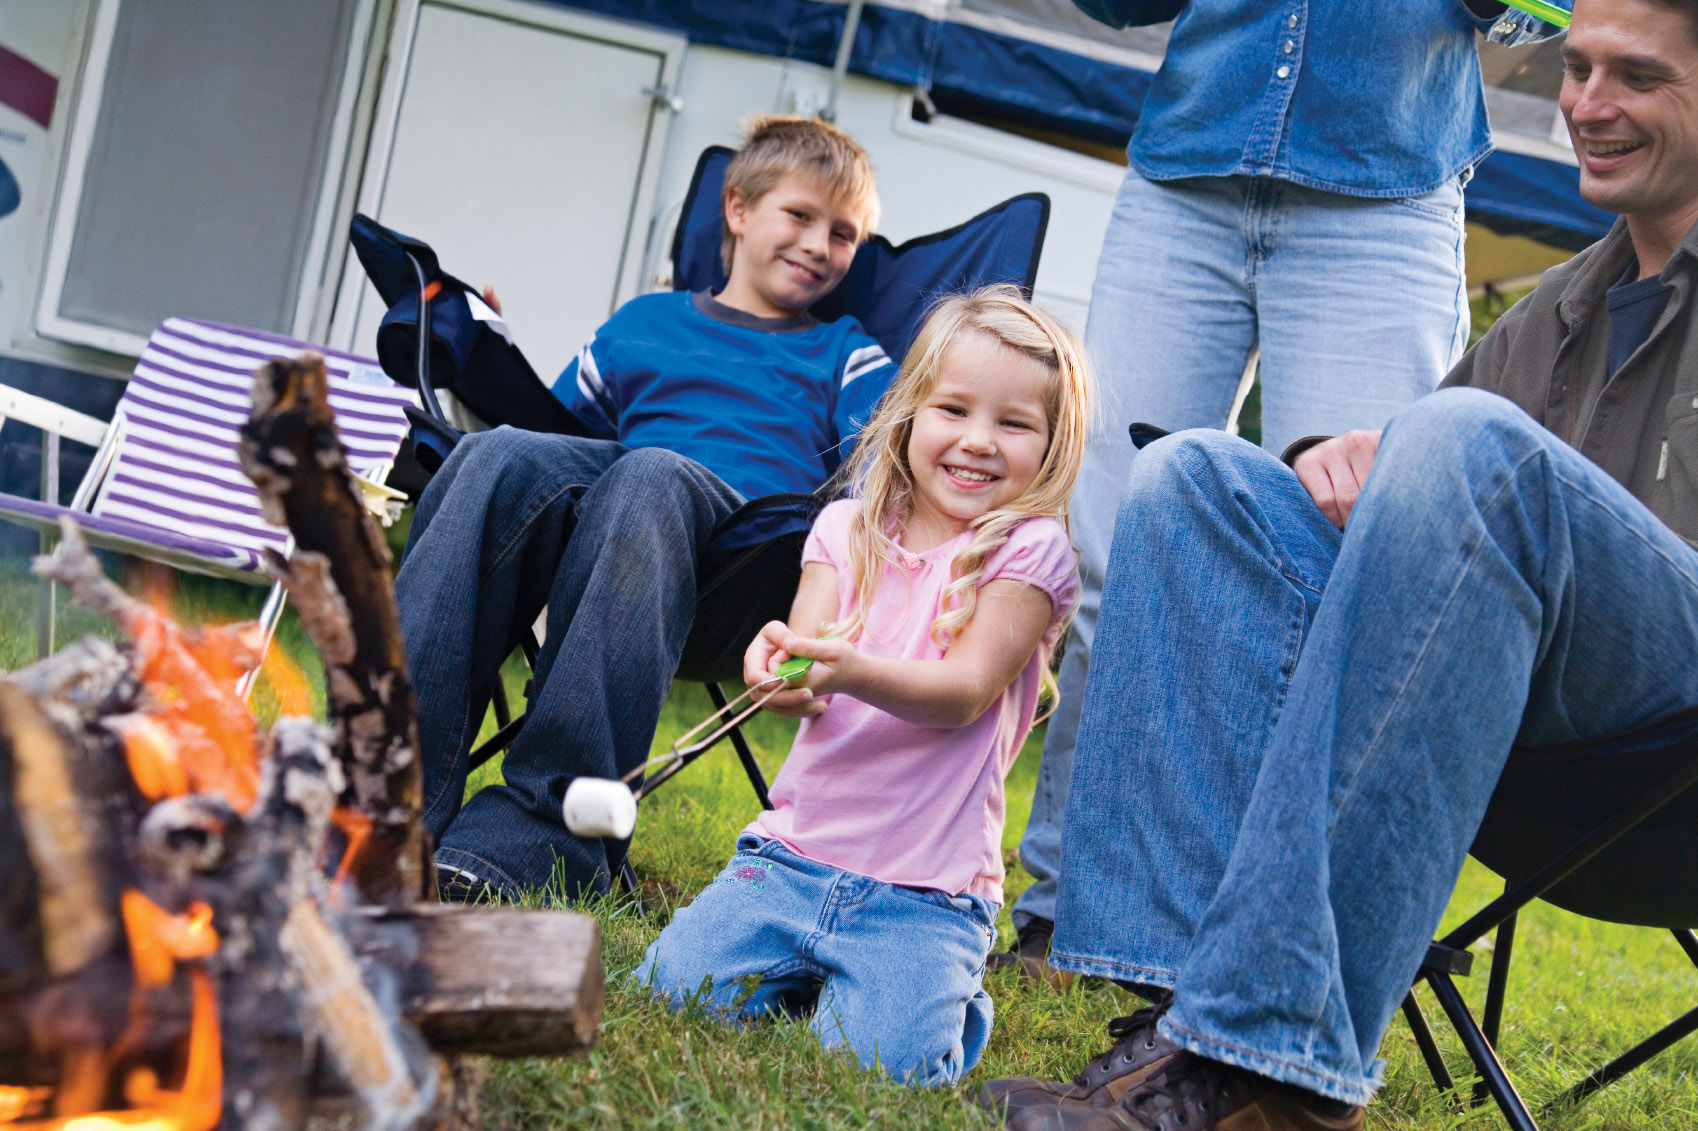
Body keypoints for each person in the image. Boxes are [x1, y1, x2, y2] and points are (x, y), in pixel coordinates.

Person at [979, 0, 1698, 1126]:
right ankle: (1171, 1007)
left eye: (1637, 78)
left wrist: (1438, 457)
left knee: (1458, 442)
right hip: (1516, 709)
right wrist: (1368, 464)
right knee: (1194, 480)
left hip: (1669, 744)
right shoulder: (1572, 299)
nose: (1587, 107)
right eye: (1581, 69)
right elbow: (1441, 492)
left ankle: (1268, 1062)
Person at [998, 0, 1565, 980]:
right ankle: (1069, 913)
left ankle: (1266, 946)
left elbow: (1533, 17)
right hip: (1186, 176)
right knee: (1112, 555)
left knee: (1354, 579)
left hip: (1384, 194)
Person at [397, 115, 898, 902]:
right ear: (737, 209)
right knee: (491, 454)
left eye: (844, 234)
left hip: (746, 566)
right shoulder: (641, 324)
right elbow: (553, 444)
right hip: (608, 546)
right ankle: (381, 802)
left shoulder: (845, 350)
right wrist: (489, 373)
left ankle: (542, 839)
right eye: (800, 216)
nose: (819, 246)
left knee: (653, 472)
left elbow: (879, 472)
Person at [633, 286, 1090, 1084]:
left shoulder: (1034, 550)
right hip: (791, 856)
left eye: (1013, 423)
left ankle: (945, 996)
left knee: (882, 1064)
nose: (977, 442)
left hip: (928, 893)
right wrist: (777, 666)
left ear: (1050, 446)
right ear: (911, 412)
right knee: (670, 992)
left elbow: (964, 689)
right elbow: (805, 663)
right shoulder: (844, 529)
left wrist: (851, 669)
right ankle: (809, 980)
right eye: (954, 409)